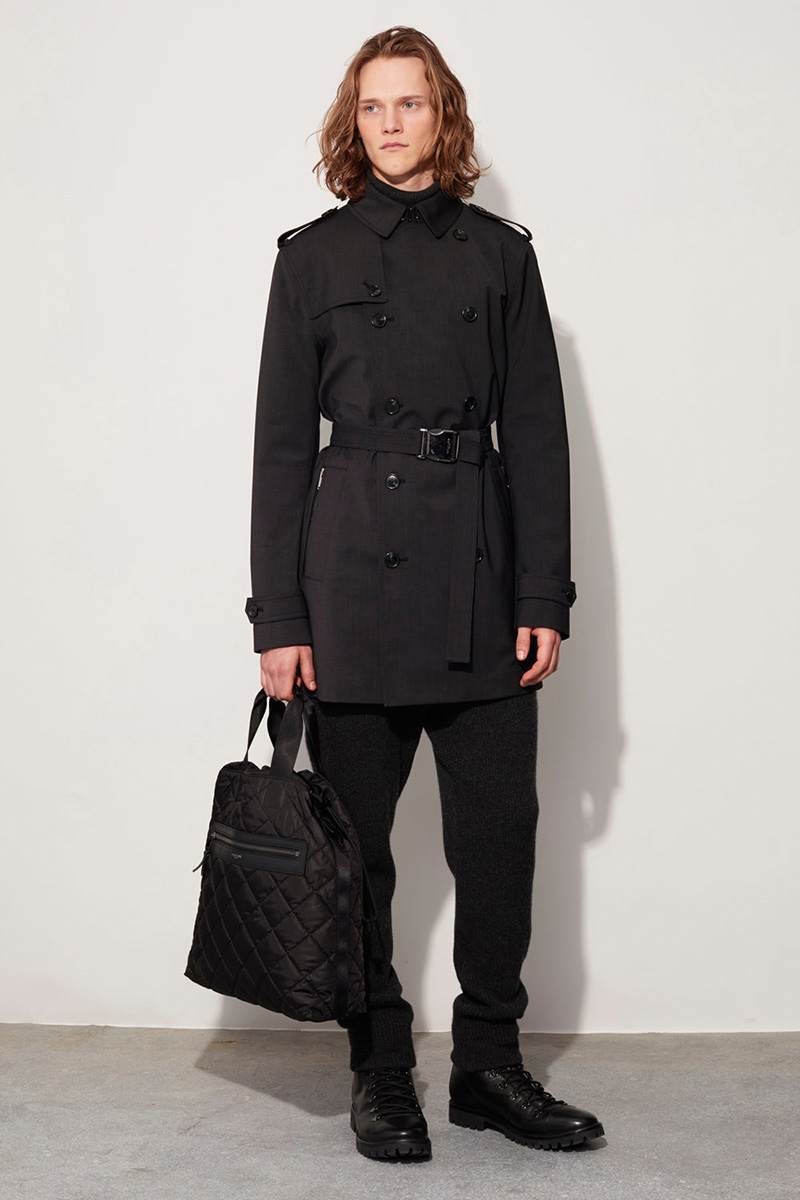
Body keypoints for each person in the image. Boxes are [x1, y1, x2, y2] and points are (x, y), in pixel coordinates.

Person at [245, 26, 604, 1161]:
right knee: (359, 854)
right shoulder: (309, 259)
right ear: (350, 124)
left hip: (481, 579)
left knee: (499, 839)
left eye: (409, 103)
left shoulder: (500, 256)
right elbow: (277, 453)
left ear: (442, 114)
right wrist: (278, 619)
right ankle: (380, 1068)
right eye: (371, 106)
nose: (390, 123)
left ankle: (489, 1067)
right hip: (348, 584)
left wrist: (541, 596)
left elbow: (537, 439)